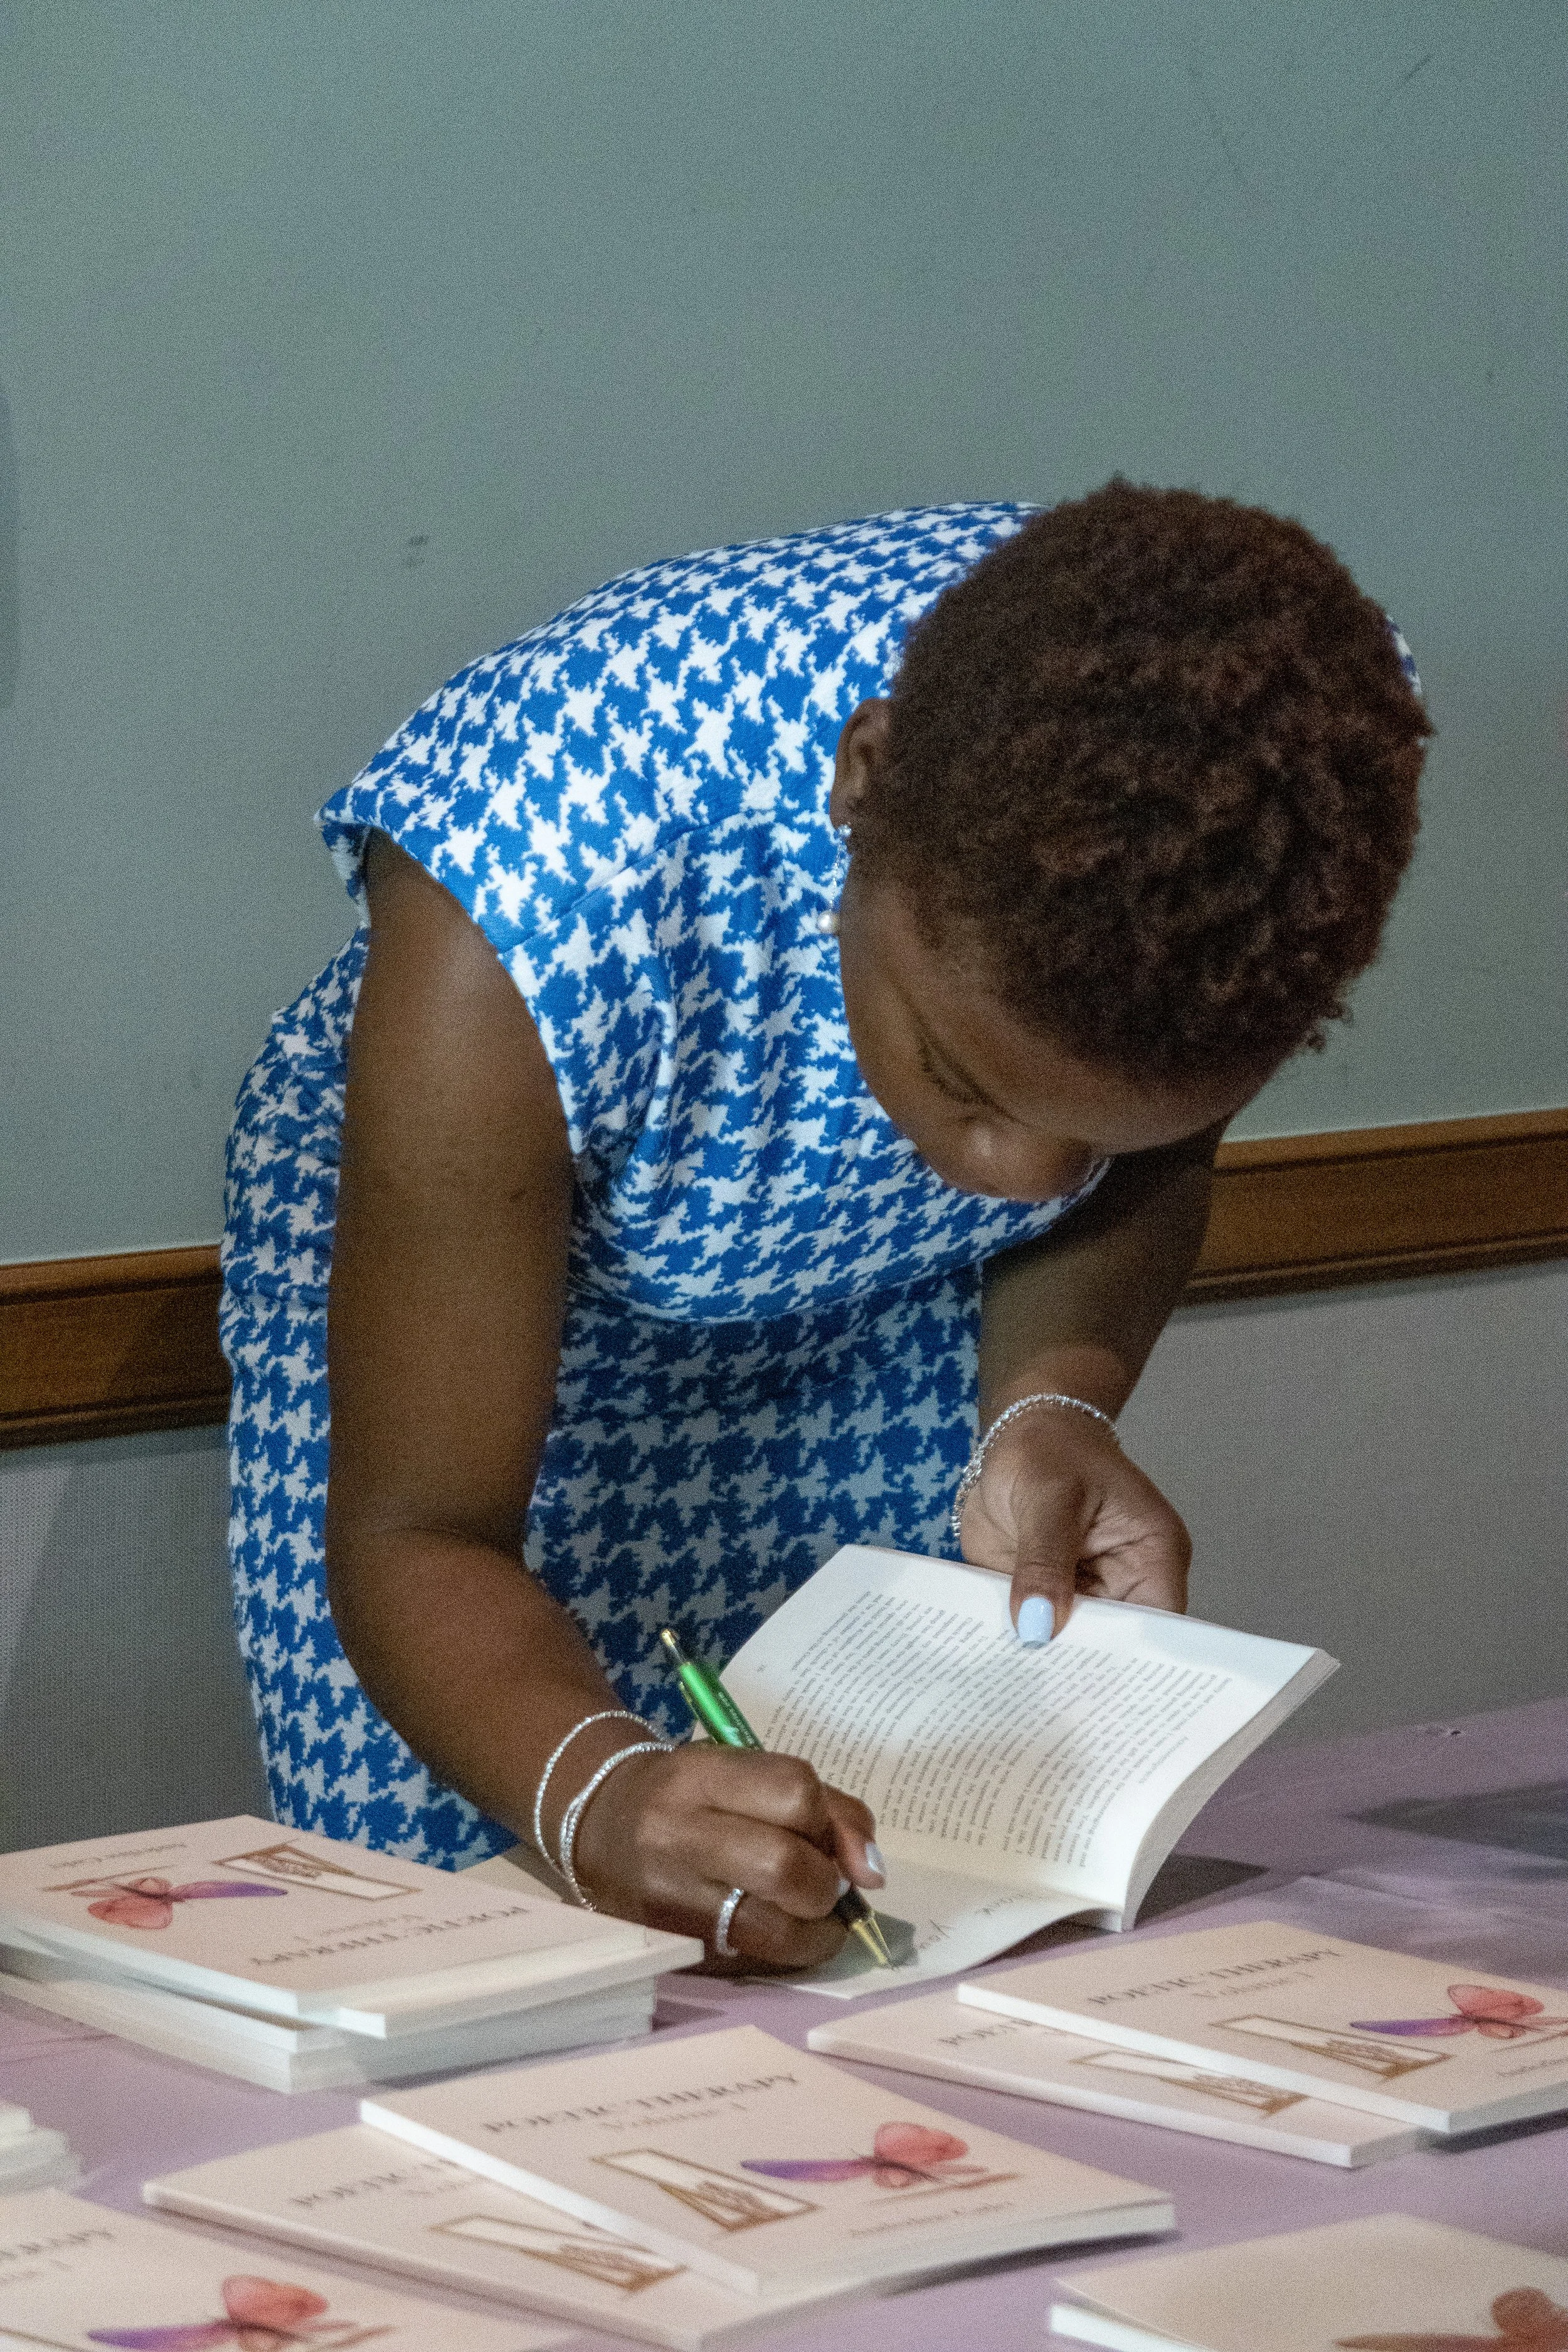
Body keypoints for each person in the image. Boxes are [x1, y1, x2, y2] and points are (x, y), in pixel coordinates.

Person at [221, 482, 1428, 1971]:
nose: (1018, 1185)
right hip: (481, 1283)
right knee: (501, 1947)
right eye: (965, 1084)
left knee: (893, 1904)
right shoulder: (535, 868)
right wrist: (595, 1796)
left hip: (870, 1286)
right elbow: (418, 1533)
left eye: (1107, 1134)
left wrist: (1048, 1404)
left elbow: (1092, 1143)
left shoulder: (1265, 795)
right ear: (859, 784)